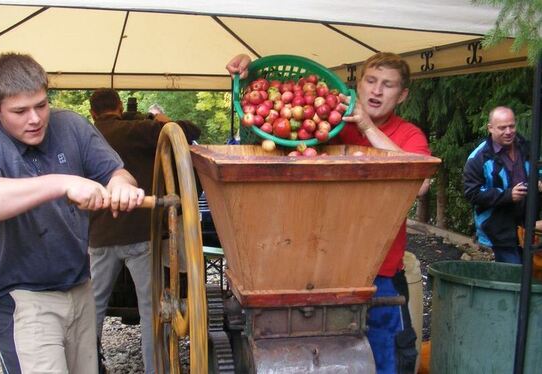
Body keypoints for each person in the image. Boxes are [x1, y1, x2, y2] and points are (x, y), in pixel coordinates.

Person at [227, 52, 431, 374]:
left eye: (388, 85)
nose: (377, 91)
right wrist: (248, 75)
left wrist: (365, 124)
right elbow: (276, 127)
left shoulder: (409, 135)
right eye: (371, 81)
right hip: (315, 262)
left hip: (378, 271)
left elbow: (418, 183)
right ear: (358, 85)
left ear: (402, 95)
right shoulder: (331, 124)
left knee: (387, 357)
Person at [0, 53, 144, 374]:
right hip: (21, 297)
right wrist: (61, 183)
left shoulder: (72, 126)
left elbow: (118, 173)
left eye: (41, 105)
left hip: (79, 287)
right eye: (20, 111)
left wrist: (121, 185)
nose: (35, 119)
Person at [88, 88, 201, 374]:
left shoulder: (87, 136)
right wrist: (159, 117)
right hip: (141, 232)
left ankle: (86, 365)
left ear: (93, 112)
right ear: (119, 106)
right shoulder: (137, 131)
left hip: (100, 235)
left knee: (91, 312)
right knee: (152, 312)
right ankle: (156, 368)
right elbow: (187, 130)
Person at [463, 106, 538, 264]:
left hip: (528, 229)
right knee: (511, 282)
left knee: (531, 281)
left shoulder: (527, 148)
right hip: (496, 235)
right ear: (490, 128)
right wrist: (507, 195)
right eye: (502, 127)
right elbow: (472, 193)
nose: (509, 131)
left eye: (512, 126)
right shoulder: (478, 158)